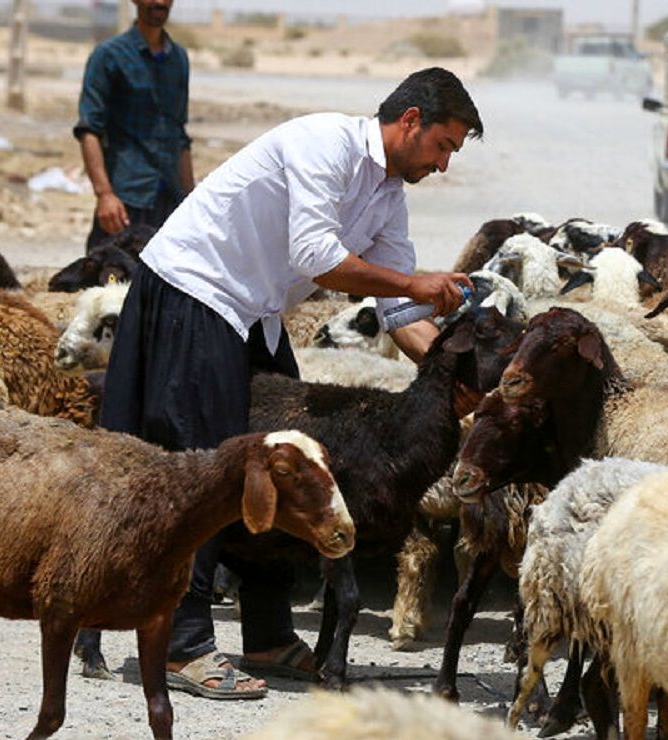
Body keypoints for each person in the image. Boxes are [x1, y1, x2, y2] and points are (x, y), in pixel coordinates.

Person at [75, 67, 483, 699]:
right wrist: (413, 284)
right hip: (195, 289)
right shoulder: (325, 144)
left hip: (252, 311)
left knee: (284, 461)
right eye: (444, 146)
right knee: (206, 464)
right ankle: (183, 646)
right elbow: (316, 257)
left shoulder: (387, 197)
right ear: (410, 123)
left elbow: (401, 315)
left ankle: (266, 634)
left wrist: (450, 376)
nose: (446, 164)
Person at [74, 0, 193, 252]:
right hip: (125, 201)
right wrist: (104, 194)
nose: (159, 2)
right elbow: (89, 130)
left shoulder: (179, 59)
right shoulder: (108, 56)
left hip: (169, 200)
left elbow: (180, 135)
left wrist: (191, 201)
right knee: (110, 286)